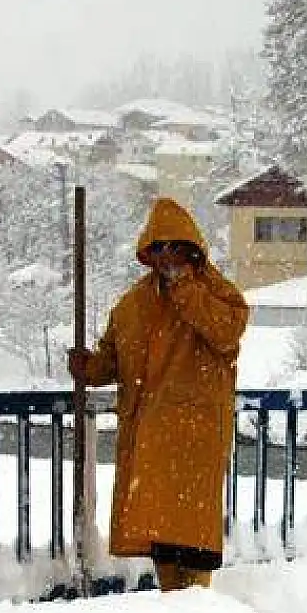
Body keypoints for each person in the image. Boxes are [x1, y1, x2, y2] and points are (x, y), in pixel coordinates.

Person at [68, 197, 250, 591]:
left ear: (192, 249)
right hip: (153, 440)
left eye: (176, 247)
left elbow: (226, 332)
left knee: (195, 543)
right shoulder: (134, 305)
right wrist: (89, 367)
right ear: (148, 252)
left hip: (195, 439)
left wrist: (185, 289)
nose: (168, 258)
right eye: (160, 248)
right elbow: (113, 362)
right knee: (165, 542)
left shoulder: (215, 294)